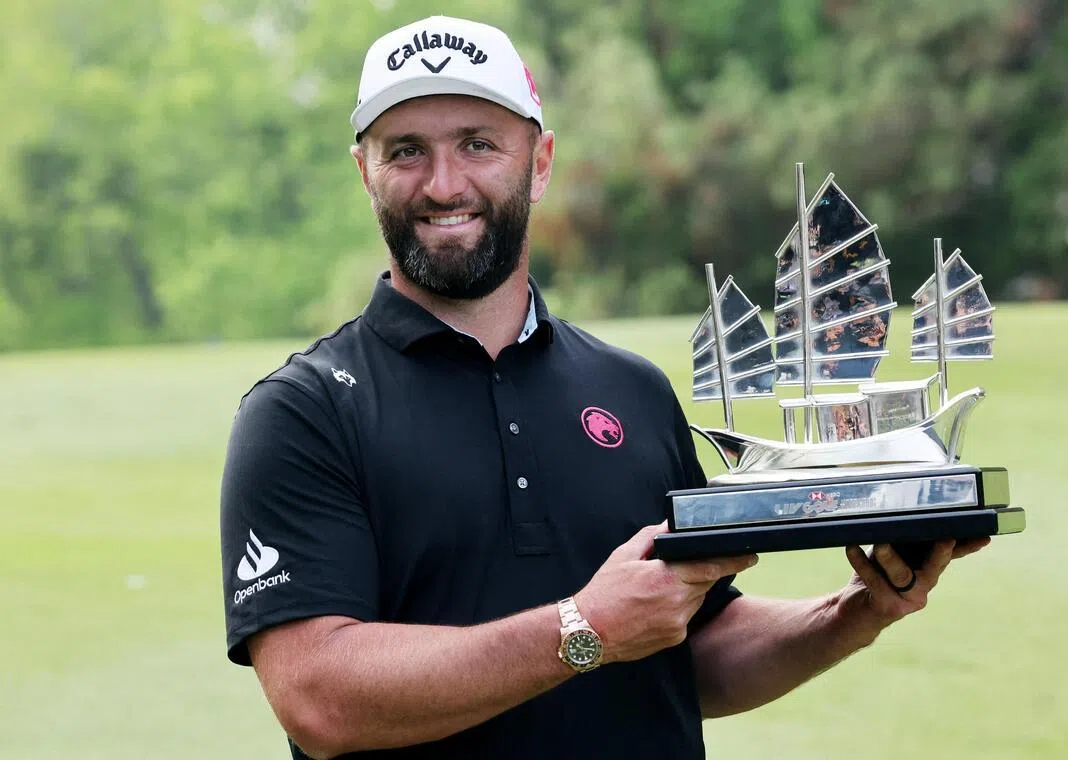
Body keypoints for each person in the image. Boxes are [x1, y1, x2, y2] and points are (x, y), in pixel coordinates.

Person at [219, 15, 989, 760]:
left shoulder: (632, 391)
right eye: (406, 151)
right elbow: (319, 697)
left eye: (478, 144)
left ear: (540, 161)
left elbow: (692, 651)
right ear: (365, 172)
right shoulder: (305, 411)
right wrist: (581, 629)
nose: (443, 183)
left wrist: (857, 611)